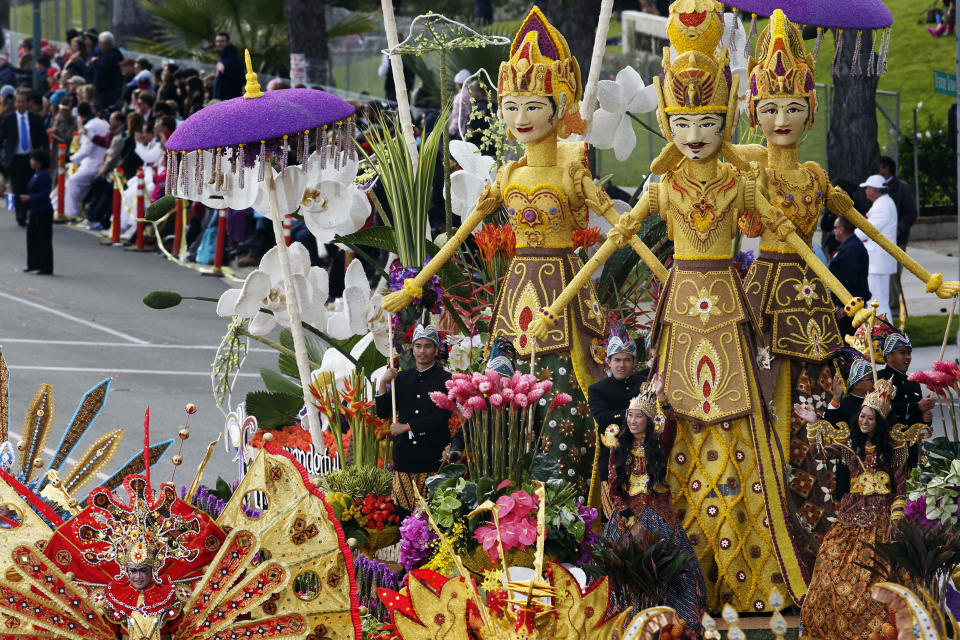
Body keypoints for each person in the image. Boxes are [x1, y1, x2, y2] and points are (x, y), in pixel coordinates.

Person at [795, 379, 925, 640]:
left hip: (881, 521)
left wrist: (896, 519)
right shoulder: (849, 445)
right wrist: (812, 423)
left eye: (871, 418)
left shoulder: (894, 450)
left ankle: (884, 632)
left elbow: (901, 489)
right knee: (833, 564)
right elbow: (818, 454)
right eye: (863, 416)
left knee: (879, 574)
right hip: (850, 519)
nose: (865, 421)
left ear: (880, 422)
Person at [602, 375, 706, 634]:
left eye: (639, 416)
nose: (633, 420)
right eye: (630, 415)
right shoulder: (618, 447)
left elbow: (671, 422)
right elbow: (614, 490)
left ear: (648, 419)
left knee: (672, 568)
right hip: (627, 517)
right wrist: (630, 521)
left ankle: (668, 618)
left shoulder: (659, 445)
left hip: (659, 512)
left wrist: (662, 397)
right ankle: (625, 619)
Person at [375, 323, 454, 515]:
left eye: (428, 346)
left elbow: (441, 416)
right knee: (404, 514)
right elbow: (383, 412)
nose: (422, 351)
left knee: (432, 516)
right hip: (406, 458)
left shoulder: (447, 379)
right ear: (412, 349)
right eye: (418, 346)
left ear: (436, 350)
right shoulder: (400, 378)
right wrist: (383, 383)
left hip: (433, 456)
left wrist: (407, 427)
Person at [588, 325, 645, 515]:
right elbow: (602, 417)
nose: (622, 365)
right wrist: (634, 412)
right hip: (613, 459)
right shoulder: (598, 389)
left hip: (644, 459)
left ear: (634, 362)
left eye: (627, 360)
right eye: (617, 360)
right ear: (609, 362)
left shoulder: (643, 383)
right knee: (615, 518)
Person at [0, 88, 47, 226]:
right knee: (17, 186)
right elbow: (2, 138)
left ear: (28, 104)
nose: (20, 104)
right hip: (15, 158)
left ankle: (29, 211)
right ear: (15, 103)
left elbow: (43, 138)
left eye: (23, 102)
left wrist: (44, 155)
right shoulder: (8, 118)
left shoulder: (35, 119)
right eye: (18, 102)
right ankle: (20, 214)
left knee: (30, 186)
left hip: (31, 158)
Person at [856, 175, 898, 322]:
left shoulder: (883, 206)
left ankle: (886, 338)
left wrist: (850, 233)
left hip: (878, 262)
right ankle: (878, 337)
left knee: (878, 303)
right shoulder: (882, 203)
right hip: (876, 262)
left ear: (873, 190)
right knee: (875, 302)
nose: (866, 191)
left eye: (867, 188)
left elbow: (865, 230)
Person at [63, 103, 109, 219]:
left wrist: (71, 158)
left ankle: (71, 213)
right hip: (100, 163)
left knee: (72, 182)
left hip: (93, 165)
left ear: (80, 115)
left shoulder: (89, 126)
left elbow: (86, 149)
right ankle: (78, 211)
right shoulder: (103, 122)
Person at [830, 216, 871, 336]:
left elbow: (849, 280)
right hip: (849, 305)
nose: (834, 231)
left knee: (849, 342)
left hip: (850, 308)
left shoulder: (852, 249)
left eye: (835, 228)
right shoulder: (849, 246)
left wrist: (844, 306)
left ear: (841, 229)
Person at [21, 149, 54, 275]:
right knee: (32, 237)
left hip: (43, 210)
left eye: (33, 160)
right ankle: (33, 263)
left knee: (44, 239)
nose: (31, 162)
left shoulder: (44, 175)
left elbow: (45, 193)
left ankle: (46, 267)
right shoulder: (36, 174)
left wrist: (30, 198)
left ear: (39, 163)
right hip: (34, 209)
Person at [90, 31, 124, 108]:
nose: (99, 46)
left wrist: (94, 63)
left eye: (100, 43)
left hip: (109, 92)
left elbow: (103, 69)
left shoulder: (112, 55)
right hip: (104, 92)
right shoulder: (107, 54)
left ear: (104, 44)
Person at [212, 32, 244, 101]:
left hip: (229, 100)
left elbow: (241, 78)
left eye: (222, 41)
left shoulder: (234, 58)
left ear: (228, 42)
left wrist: (225, 67)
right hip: (220, 99)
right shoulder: (223, 56)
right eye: (217, 41)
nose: (219, 44)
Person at [448, 68, 471, 139]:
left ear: (458, 84)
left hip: (460, 133)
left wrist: (451, 132)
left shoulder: (459, 97)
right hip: (468, 131)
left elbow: (458, 117)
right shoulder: (471, 94)